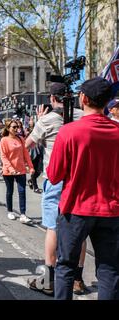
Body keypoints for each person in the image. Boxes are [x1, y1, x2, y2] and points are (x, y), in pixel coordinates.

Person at [47, 77, 119, 300]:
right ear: (108, 102)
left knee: (66, 266)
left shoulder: (69, 132)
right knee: (109, 268)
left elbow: (54, 175)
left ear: (84, 98)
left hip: (76, 209)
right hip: (112, 209)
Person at [25, 83, 88, 295]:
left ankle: (49, 279)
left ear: (52, 99)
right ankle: (78, 279)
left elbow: (28, 145)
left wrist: (37, 123)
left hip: (55, 178)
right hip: (81, 178)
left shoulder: (46, 119)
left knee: (53, 227)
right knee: (79, 228)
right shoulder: (83, 116)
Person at [0, 119, 34, 224]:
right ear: (8, 128)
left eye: (17, 127)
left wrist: (31, 167)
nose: (16, 129)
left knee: (22, 191)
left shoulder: (20, 139)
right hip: (8, 170)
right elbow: (3, 156)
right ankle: (10, 211)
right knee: (10, 191)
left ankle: (23, 214)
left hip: (21, 169)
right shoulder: (4, 140)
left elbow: (26, 154)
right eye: (14, 127)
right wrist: (11, 169)